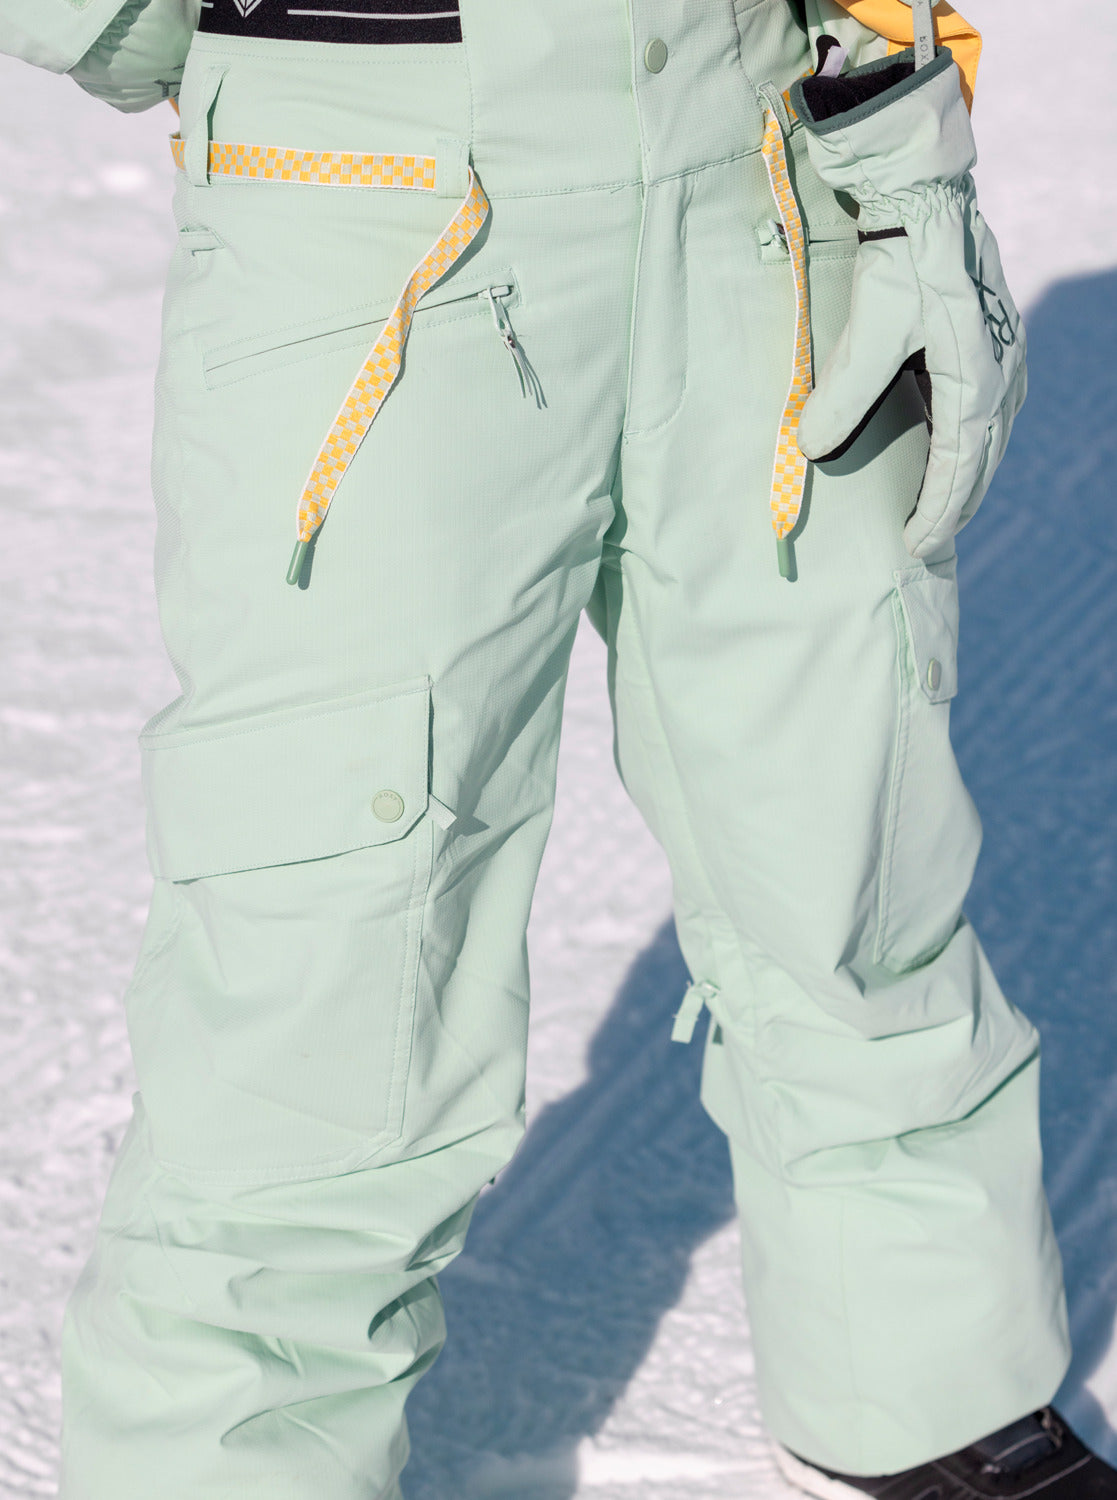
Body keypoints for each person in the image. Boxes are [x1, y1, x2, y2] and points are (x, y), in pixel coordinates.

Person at [2, 0, 1114, 1496]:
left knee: (849, 829)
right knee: (335, 901)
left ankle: (920, 1381)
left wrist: (900, 131)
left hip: (758, 145)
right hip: (376, 164)